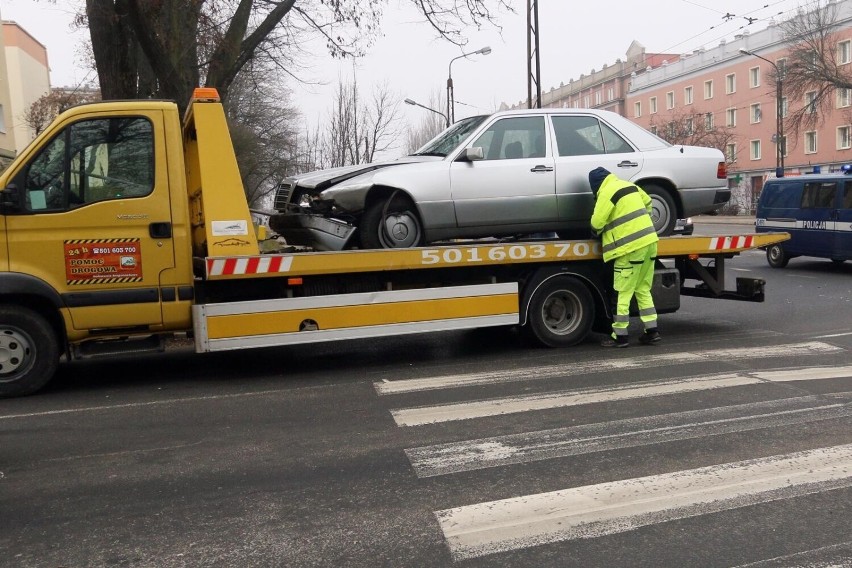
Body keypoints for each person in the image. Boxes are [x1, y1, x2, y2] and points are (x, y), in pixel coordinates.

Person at [588, 167, 661, 348]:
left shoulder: (606, 192)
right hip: (650, 242)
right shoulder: (630, 185)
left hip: (629, 248)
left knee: (623, 291)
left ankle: (620, 336)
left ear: (595, 185)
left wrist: (596, 231)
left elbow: (596, 223)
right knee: (643, 288)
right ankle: (652, 332)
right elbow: (649, 202)